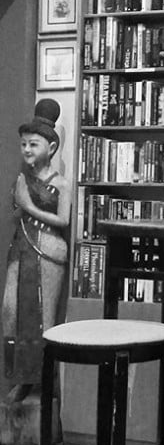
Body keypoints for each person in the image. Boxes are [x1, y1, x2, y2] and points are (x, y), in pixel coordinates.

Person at [1, 99, 70, 403]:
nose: (27, 150)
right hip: (22, 248)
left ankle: (44, 379)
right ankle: (20, 377)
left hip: (48, 249)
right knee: (11, 312)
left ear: (51, 148)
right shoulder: (22, 179)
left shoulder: (61, 184)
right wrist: (21, 202)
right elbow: (15, 209)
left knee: (43, 317)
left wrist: (29, 205)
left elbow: (63, 220)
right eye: (24, 144)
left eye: (33, 144)